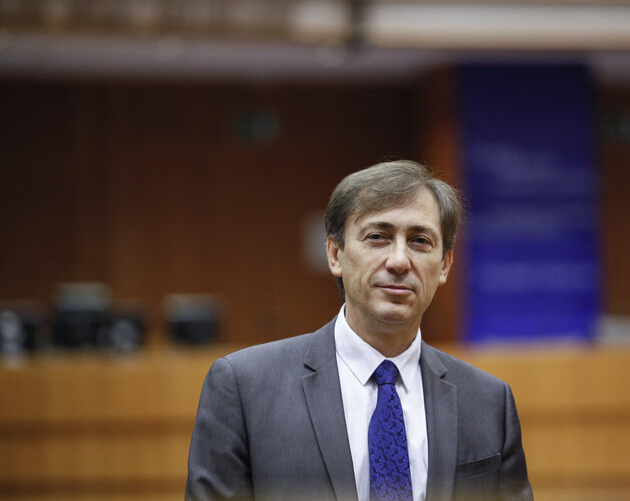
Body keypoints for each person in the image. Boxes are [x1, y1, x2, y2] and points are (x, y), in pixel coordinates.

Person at [186, 160, 532, 501]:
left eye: (420, 241)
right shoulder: (245, 388)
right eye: (378, 237)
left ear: (444, 265)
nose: (399, 261)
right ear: (335, 254)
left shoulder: (488, 402)